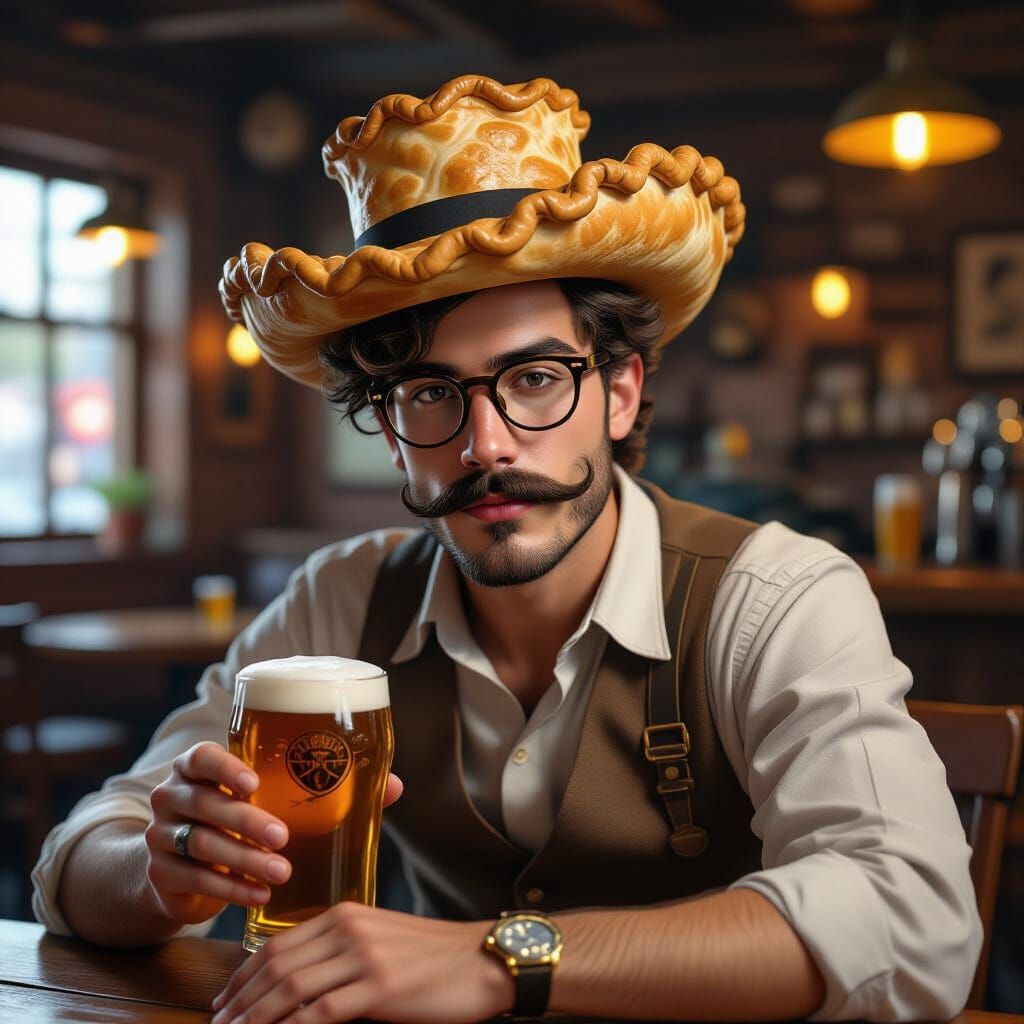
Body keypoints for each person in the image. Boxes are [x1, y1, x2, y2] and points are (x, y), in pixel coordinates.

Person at [33, 74, 980, 1023]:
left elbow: (912, 925)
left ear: (618, 393)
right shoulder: (344, 602)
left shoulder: (777, 597)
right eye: (432, 394)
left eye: (534, 378)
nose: (484, 446)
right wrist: (168, 871)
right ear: (395, 431)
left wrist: (499, 960)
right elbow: (76, 865)